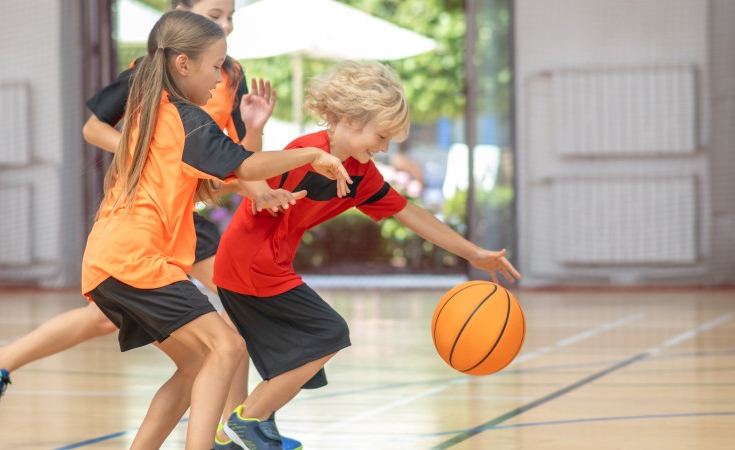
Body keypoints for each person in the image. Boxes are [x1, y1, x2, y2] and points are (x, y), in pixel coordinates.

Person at [0, 10, 351, 449]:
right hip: (137, 261)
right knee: (226, 345)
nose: (218, 78)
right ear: (182, 64)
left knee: (196, 364)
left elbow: (231, 173)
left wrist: (258, 164)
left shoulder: (154, 115)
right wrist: (308, 156)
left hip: (116, 261)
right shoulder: (185, 120)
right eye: (214, 66)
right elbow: (245, 164)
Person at [212, 61, 522, 450]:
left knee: (244, 338)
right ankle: (249, 420)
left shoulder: (360, 174)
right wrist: (254, 131)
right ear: (351, 119)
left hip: (255, 261)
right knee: (328, 333)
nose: (385, 147)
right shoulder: (306, 152)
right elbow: (249, 174)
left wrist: (472, 252)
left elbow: (409, 212)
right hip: (252, 261)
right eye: (382, 135)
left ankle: (227, 437)